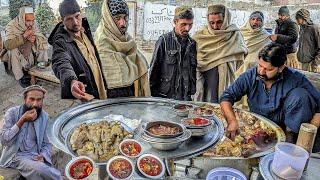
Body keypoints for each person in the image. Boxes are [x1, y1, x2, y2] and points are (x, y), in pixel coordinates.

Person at [220, 43, 320, 147]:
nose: (261, 72)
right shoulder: (250, 76)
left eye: (268, 69)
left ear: (281, 68)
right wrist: (232, 121)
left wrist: (308, 132)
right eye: (260, 66)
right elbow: (226, 97)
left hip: (286, 129)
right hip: (258, 126)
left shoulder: (296, 79)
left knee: (300, 95)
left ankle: (290, 142)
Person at [49, 0, 107, 101]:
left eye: (77, 16)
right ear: (62, 21)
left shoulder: (85, 30)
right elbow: (60, 62)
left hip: (100, 87)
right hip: (84, 93)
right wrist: (71, 80)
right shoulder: (60, 41)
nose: (75, 22)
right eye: (69, 19)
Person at [0, 85, 62, 179]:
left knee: (40, 172)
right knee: (40, 169)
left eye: (39, 100)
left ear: (42, 101)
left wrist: (43, 156)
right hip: (16, 155)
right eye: (31, 99)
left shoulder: (44, 117)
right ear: (25, 99)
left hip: (35, 155)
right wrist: (21, 121)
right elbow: (4, 140)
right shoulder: (12, 113)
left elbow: (47, 143)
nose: (35, 104)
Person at [94, 0, 150, 98]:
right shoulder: (102, 41)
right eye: (117, 18)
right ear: (109, 19)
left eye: (125, 18)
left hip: (132, 100)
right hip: (110, 101)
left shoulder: (127, 39)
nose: (122, 23)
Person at [193, 4, 247, 103]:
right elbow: (195, 60)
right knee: (204, 106)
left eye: (219, 22)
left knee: (222, 107)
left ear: (226, 19)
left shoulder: (235, 35)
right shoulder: (200, 36)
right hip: (205, 78)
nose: (215, 26)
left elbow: (242, 55)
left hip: (226, 78)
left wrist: (225, 62)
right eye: (212, 23)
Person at [149, 7, 196, 101]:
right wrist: (154, 99)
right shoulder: (164, 41)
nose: (187, 28)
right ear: (175, 22)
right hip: (166, 98)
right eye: (183, 24)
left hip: (185, 99)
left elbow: (193, 72)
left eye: (190, 25)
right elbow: (153, 72)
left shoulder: (192, 44)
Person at [1, 7, 48, 88]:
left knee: (41, 42)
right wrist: (24, 36)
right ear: (22, 18)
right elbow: (8, 45)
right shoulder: (12, 25)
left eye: (33, 20)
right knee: (13, 50)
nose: (31, 23)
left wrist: (35, 39)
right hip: (17, 54)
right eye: (28, 20)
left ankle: (40, 69)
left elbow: (39, 35)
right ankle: (21, 77)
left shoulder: (34, 24)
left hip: (29, 52)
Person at [296, 9, 320, 73]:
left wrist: (315, 63)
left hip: (311, 64)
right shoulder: (301, 28)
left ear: (303, 18)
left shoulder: (314, 28)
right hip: (302, 63)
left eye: (298, 18)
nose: (296, 20)